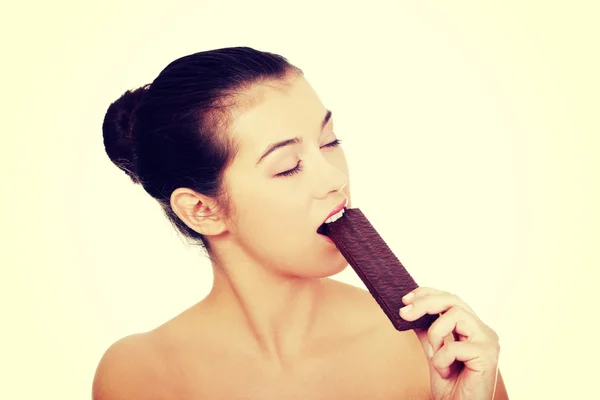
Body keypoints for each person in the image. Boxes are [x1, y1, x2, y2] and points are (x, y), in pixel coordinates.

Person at [93, 47, 508, 399]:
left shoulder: (430, 350)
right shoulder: (137, 375)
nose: (334, 178)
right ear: (202, 209)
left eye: (329, 142)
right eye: (288, 166)